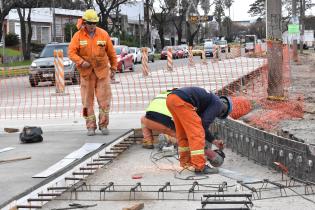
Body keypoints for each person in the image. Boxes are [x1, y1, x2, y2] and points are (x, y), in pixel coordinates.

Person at [68, 9, 117, 136]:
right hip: (86, 74)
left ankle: (104, 125)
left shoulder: (103, 34)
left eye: (94, 23)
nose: (92, 26)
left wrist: (113, 68)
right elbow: (71, 53)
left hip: (102, 73)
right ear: (84, 22)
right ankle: (90, 126)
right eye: (90, 23)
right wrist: (81, 62)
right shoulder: (78, 36)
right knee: (86, 102)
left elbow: (112, 54)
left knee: (105, 101)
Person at [166, 87, 233, 174]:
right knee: (197, 134)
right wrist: (205, 149)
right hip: (181, 101)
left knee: (184, 133)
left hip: (172, 99)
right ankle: (200, 166)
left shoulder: (209, 102)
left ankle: (186, 163)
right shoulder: (218, 105)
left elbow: (200, 125)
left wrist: (213, 141)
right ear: (224, 111)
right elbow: (202, 126)